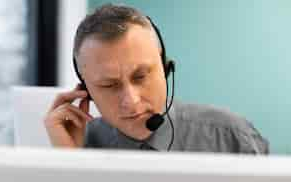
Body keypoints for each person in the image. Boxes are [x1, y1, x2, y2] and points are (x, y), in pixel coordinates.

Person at [44, 4, 269, 154]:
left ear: (165, 68)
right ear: (87, 91)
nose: (131, 102)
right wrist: (70, 162)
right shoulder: (76, 145)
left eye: (140, 76)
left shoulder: (233, 138)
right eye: (109, 85)